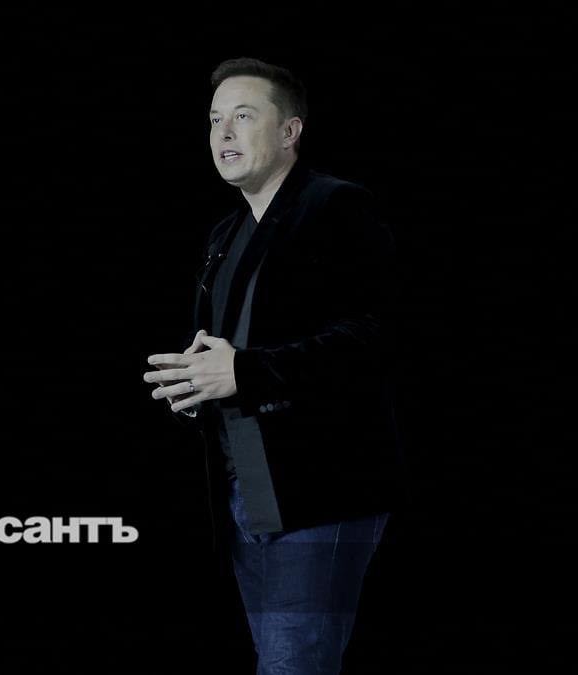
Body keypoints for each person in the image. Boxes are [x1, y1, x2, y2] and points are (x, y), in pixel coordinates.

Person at [143, 57, 406, 674]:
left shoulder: (336, 205)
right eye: (214, 120)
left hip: (321, 490)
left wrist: (246, 372)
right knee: (279, 662)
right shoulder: (224, 235)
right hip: (248, 492)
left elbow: (376, 337)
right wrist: (193, 384)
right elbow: (224, 352)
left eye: (243, 116)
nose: (223, 133)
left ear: (290, 131)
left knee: (293, 667)